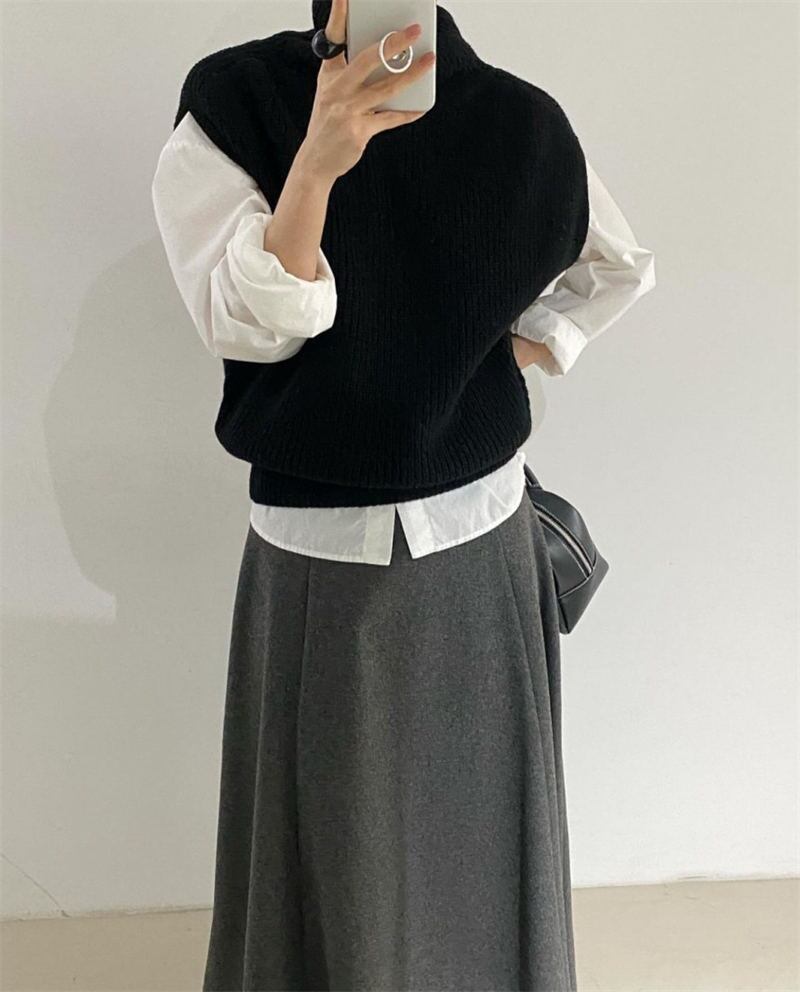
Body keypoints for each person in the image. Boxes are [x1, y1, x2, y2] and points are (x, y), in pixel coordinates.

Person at [151, 1, 655, 988]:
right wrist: (316, 164)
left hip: (480, 535)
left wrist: (498, 359)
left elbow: (614, 267)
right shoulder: (237, 102)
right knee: (327, 862)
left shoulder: (517, 121)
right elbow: (251, 324)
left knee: (480, 847)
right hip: (318, 552)